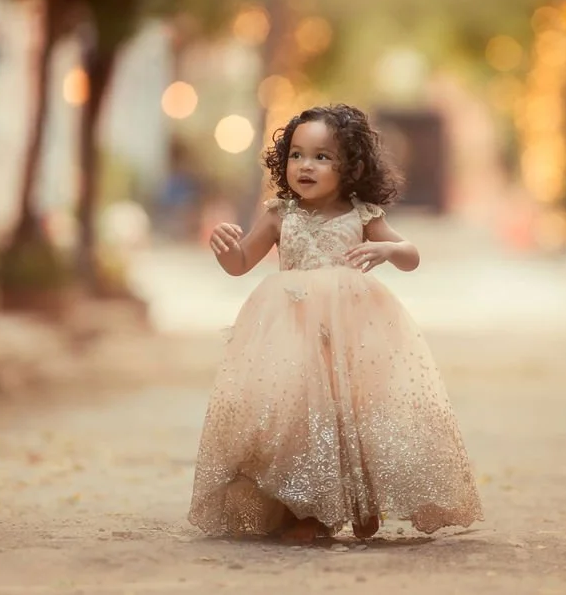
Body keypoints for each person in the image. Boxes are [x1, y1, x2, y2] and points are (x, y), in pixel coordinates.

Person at [187, 104, 483, 543]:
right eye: (297, 155)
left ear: (352, 167)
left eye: (322, 157)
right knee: (292, 419)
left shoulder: (362, 215)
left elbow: (411, 255)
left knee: (351, 416)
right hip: (288, 332)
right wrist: (225, 250)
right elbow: (241, 263)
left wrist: (387, 251)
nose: (306, 166)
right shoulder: (277, 215)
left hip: (351, 334)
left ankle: (361, 501)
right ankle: (305, 508)